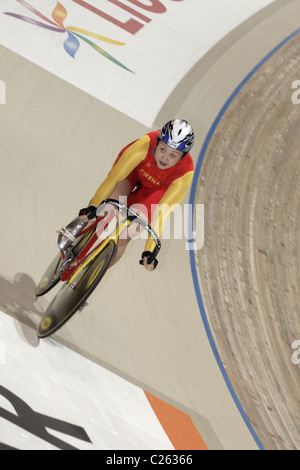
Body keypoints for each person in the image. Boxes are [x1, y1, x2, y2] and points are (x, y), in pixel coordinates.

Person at [74, 119, 195, 271]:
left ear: (181, 158)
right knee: (105, 208)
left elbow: (161, 214)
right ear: (156, 143)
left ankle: (91, 275)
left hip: (155, 190)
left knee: (125, 236)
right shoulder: (144, 144)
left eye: (173, 155)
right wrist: (93, 206)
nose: (165, 158)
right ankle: (77, 234)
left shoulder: (185, 173)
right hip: (132, 172)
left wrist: (149, 250)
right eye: (163, 149)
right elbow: (114, 178)